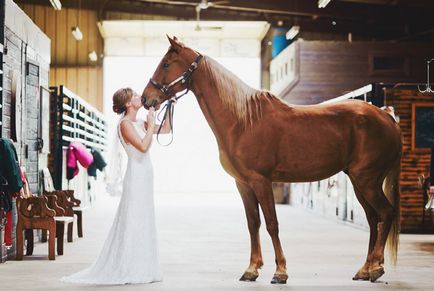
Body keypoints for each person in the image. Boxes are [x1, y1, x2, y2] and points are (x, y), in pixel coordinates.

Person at [61, 87, 173, 285]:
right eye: (136, 96)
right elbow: (143, 146)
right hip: (136, 176)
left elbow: (166, 130)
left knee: (145, 218)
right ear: (129, 103)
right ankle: (129, 266)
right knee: (134, 218)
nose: (140, 97)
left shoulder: (140, 121)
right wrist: (150, 123)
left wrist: (169, 106)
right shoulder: (125, 125)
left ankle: (145, 265)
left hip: (147, 174)